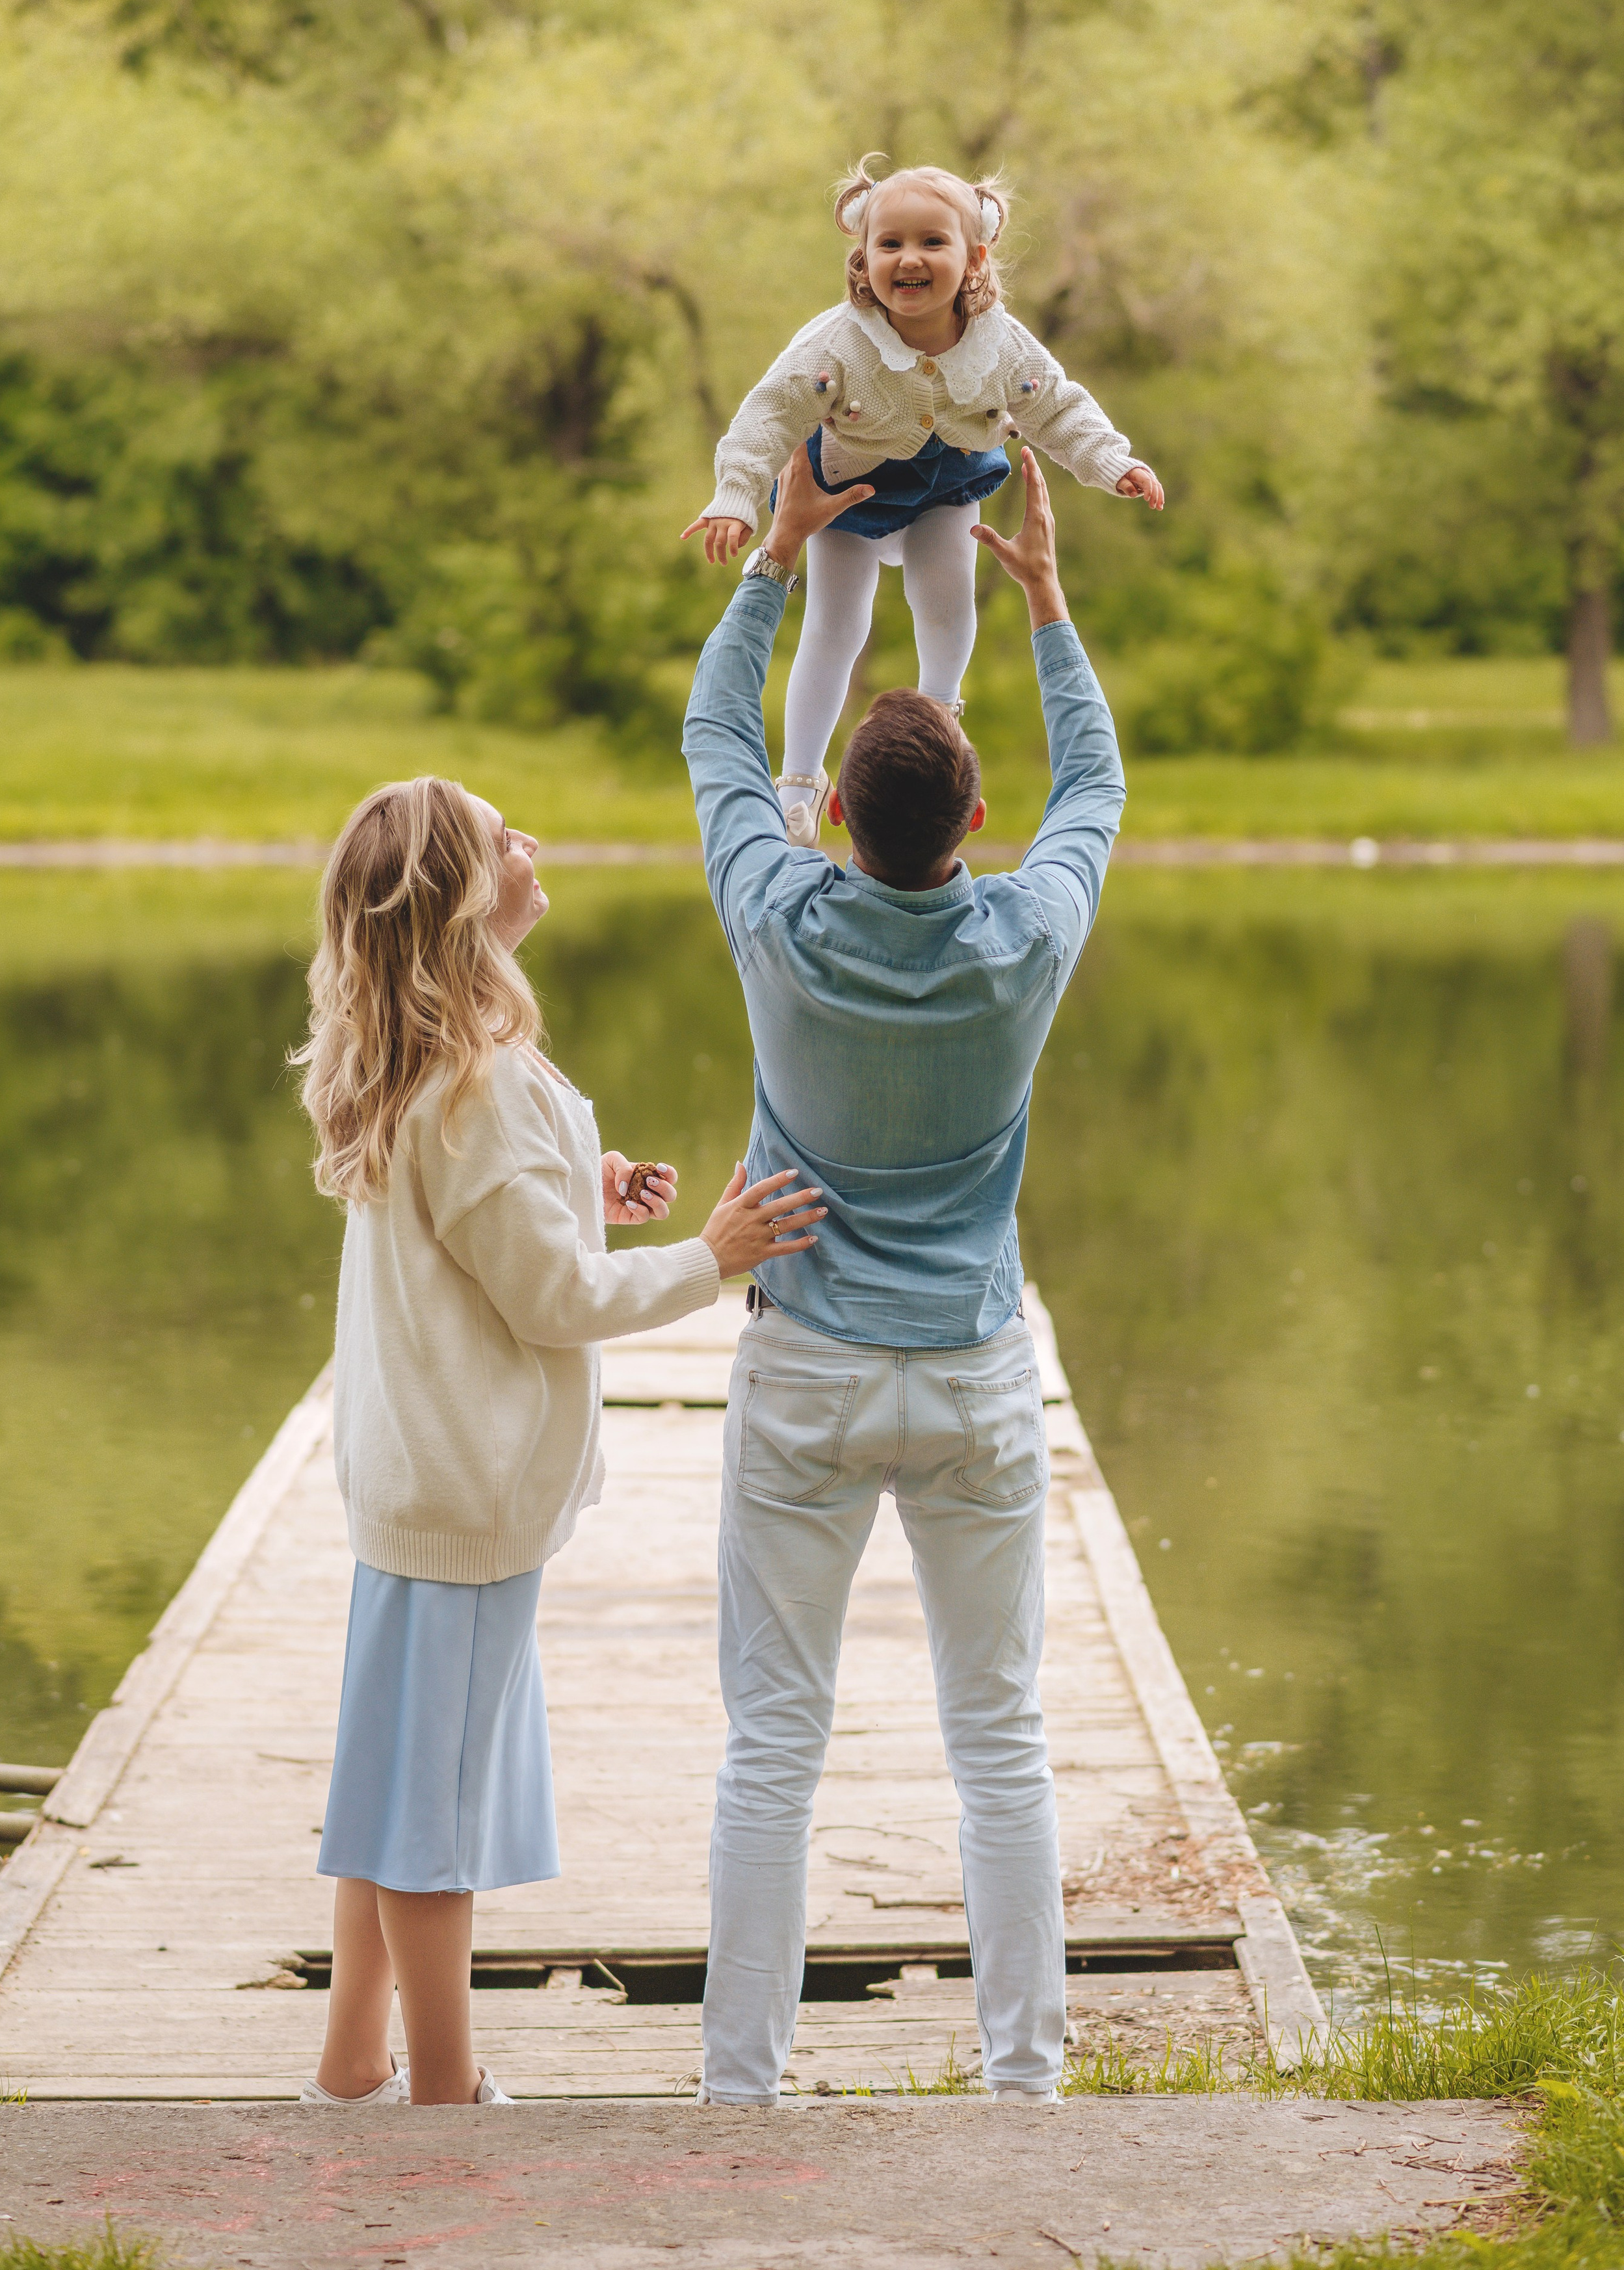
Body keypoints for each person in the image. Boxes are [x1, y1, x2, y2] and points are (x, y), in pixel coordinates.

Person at [681, 439, 1126, 2107]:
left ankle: (742, 2090)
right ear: (971, 818)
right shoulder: (1023, 935)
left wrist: (777, 555)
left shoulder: (778, 910)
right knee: (998, 1744)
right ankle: (1023, 2085)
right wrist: (1045, 614)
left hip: (801, 1365)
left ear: (837, 815)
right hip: (967, 1374)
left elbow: (717, 738)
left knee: (769, 1752)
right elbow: (1096, 792)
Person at [290, 776, 823, 2106]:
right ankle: (443, 2095)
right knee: (434, 1821)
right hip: (462, 1503)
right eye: (501, 836)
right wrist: (709, 1258)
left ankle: (354, 2063)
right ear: (467, 899)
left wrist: (578, 1189)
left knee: (391, 1782)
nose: (529, 843)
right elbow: (551, 1298)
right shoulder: (474, 1079)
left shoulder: (440, 1056)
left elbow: (474, 1219)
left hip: (414, 1485)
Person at [681, 157, 1162, 844]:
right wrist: (736, 497)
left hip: (946, 483)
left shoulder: (1000, 343)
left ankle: (940, 716)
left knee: (945, 597)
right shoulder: (837, 343)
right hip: (845, 491)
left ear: (974, 256)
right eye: (890, 244)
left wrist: (1112, 461)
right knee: (834, 624)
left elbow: (1056, 408)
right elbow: (770, 416)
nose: (910, 258)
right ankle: (798, 784)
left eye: (932, 242)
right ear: (863, 256)